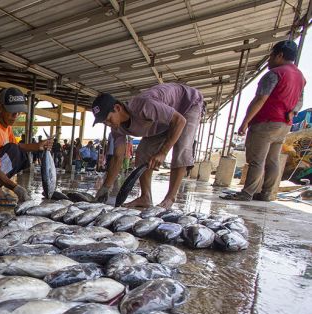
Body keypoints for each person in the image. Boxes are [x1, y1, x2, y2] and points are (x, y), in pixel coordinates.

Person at [93, 82, 204, 209]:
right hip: (162, 119)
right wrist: (105, 187)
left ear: (117, 108)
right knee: (142, 153)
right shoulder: (116, 129)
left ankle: (170, 198)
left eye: (108, 119)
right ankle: (146, 197)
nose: (108, 124)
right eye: (104, 122)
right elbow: (118, 157)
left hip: (187, 105)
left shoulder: (144, 105)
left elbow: (179, 121)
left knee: (181, 149)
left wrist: (163, 152)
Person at [221, 40, 306, 202]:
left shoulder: (275, 73)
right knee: (273, 160)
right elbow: (300, 100)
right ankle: (267, 193)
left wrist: (245, 121)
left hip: (266, 121)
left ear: (280, 55)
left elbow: (260, 99)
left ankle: (246, 193)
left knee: (256, 160)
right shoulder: (300, 76)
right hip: (284, 125)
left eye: (271, 56)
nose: (268, 60)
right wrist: (293, 112)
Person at [0, 87, 52, 206]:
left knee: (22, 155)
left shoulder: (6, 127)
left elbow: (19, 147)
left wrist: (38, 146)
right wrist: (16, 188)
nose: (15, 115)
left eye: (18, 112)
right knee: (13, 150)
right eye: (12, 111)